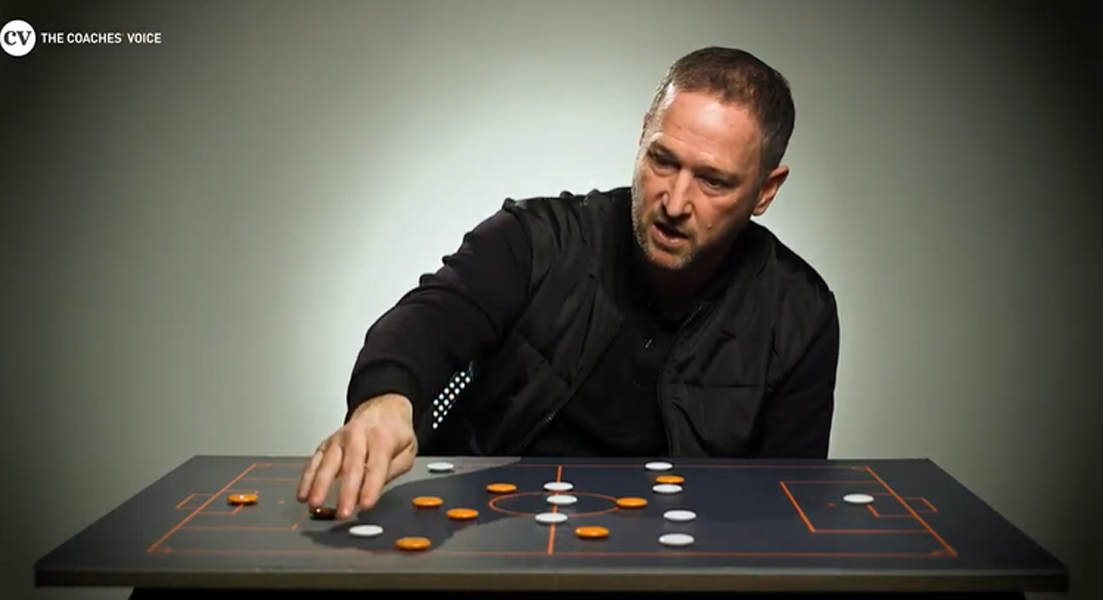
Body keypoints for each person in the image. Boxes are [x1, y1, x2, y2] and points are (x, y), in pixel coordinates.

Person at [298, 46, 840, 520]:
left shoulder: (800, 313)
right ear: (641, 139)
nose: (675, 203)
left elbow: (783, 510)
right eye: (662, 160)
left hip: (674, 565)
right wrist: (385, 398)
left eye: (713, 181)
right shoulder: (536, 239)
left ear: (765, 191)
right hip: (485, 533)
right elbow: (430, 319)